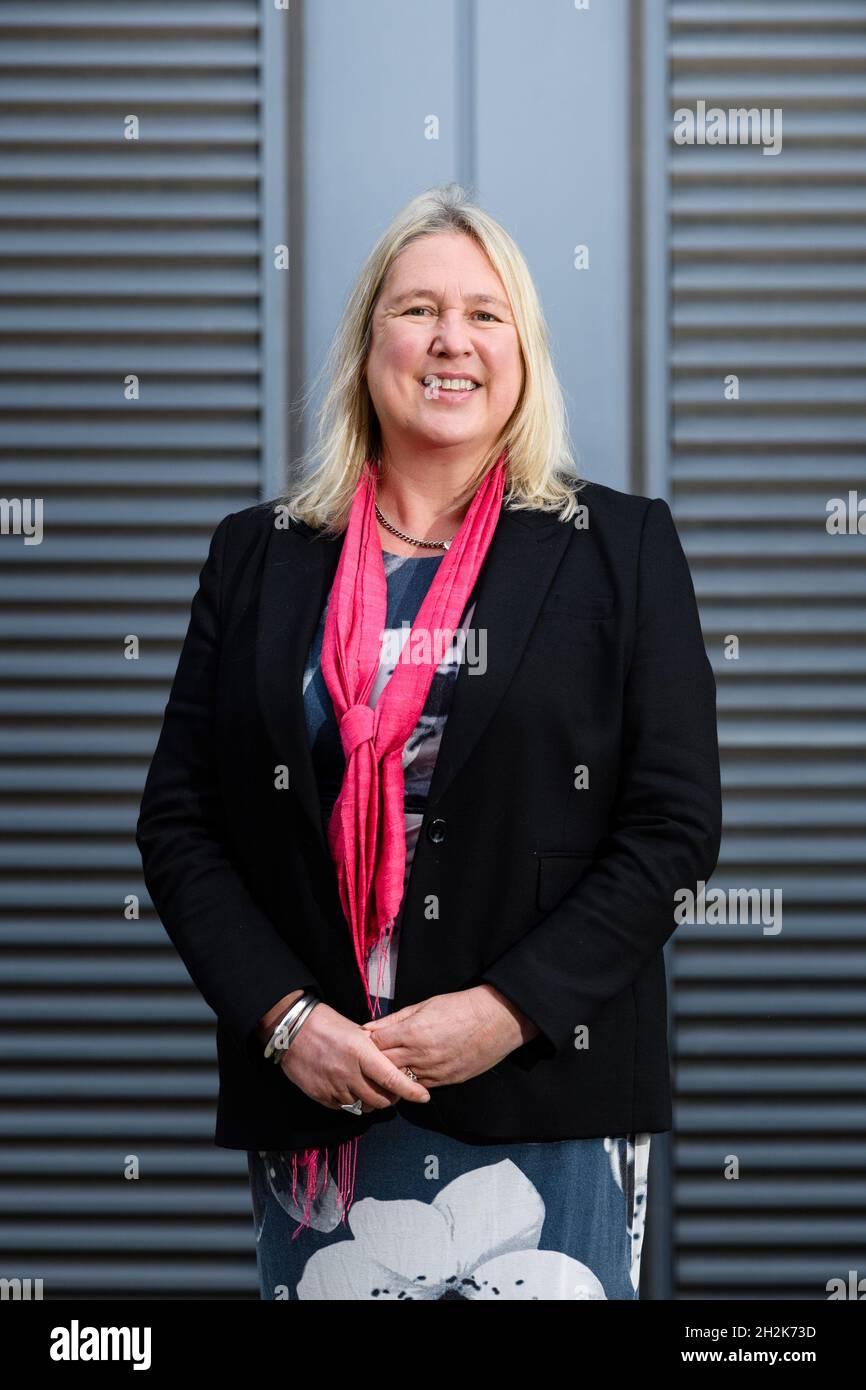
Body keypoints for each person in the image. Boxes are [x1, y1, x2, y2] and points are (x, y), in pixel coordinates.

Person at [136, 183, 722, 1301]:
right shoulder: (256, 557)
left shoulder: (619, 550)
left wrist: (503, 1011)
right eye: (415, 310)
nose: (450, 339)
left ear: (521, 351)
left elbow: (671, 823)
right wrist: (286, 1020)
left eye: (483, 313)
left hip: (550, 1093)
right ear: (368, 344)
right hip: (324, 1100)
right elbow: (179, 824)